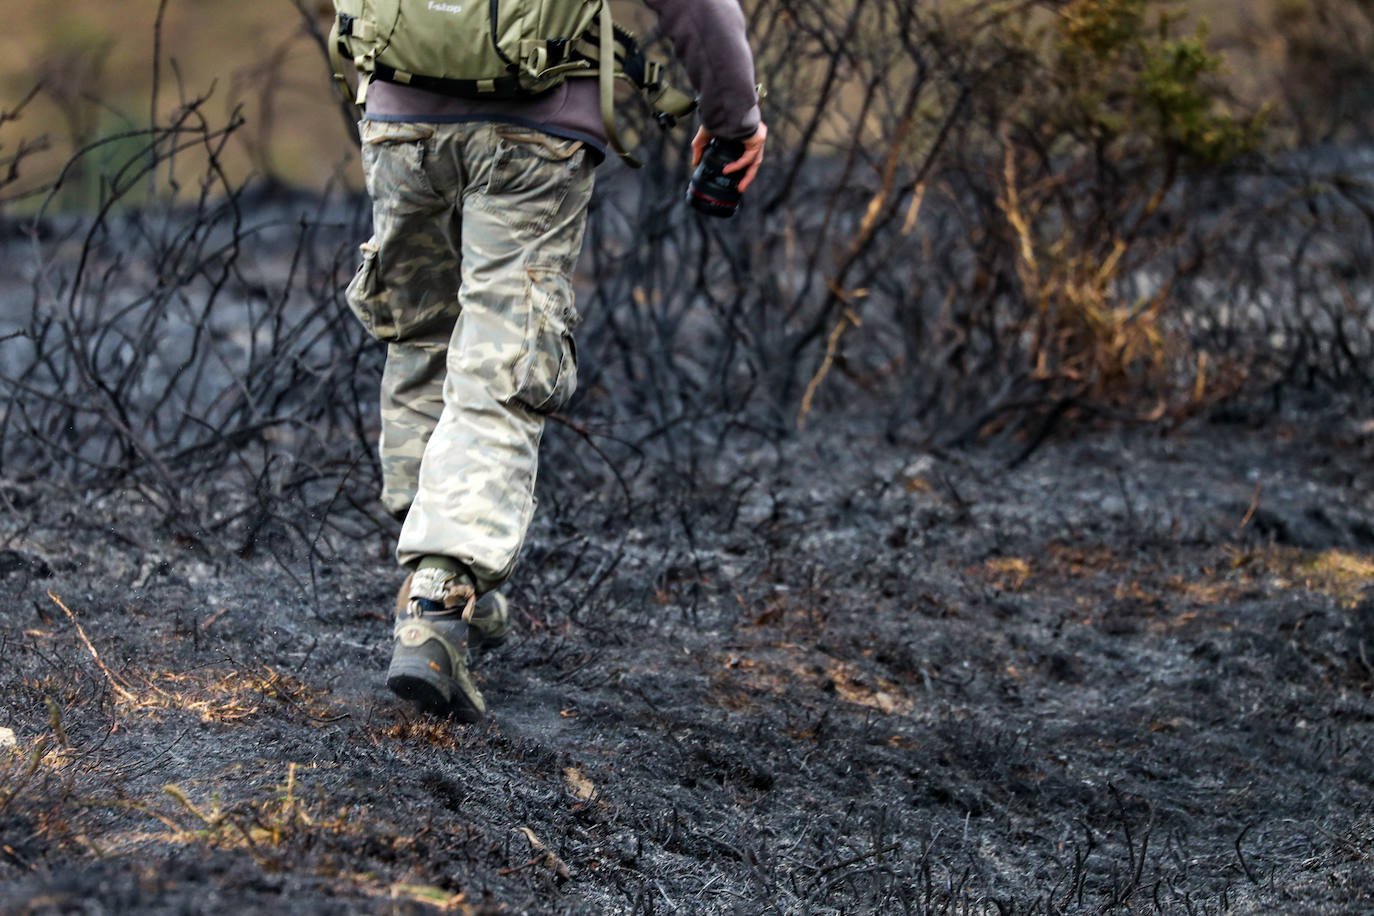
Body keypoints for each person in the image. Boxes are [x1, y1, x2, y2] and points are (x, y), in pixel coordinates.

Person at [342, 0, 767, 721]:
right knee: (502, 360)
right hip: (532, 125)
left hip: (399, 114)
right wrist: (735, 118)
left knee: (420, 342)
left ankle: (437, 576)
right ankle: (443, 589)